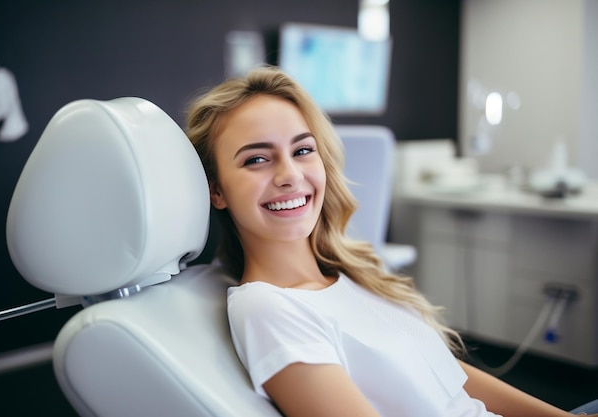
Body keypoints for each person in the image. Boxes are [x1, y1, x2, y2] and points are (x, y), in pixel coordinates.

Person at [185, 65, 597, 417]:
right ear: (216, 190)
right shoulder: (268, 307)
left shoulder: (350, 272)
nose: (289, 174)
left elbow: (453, 379)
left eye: (303, 150)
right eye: (256, 159)